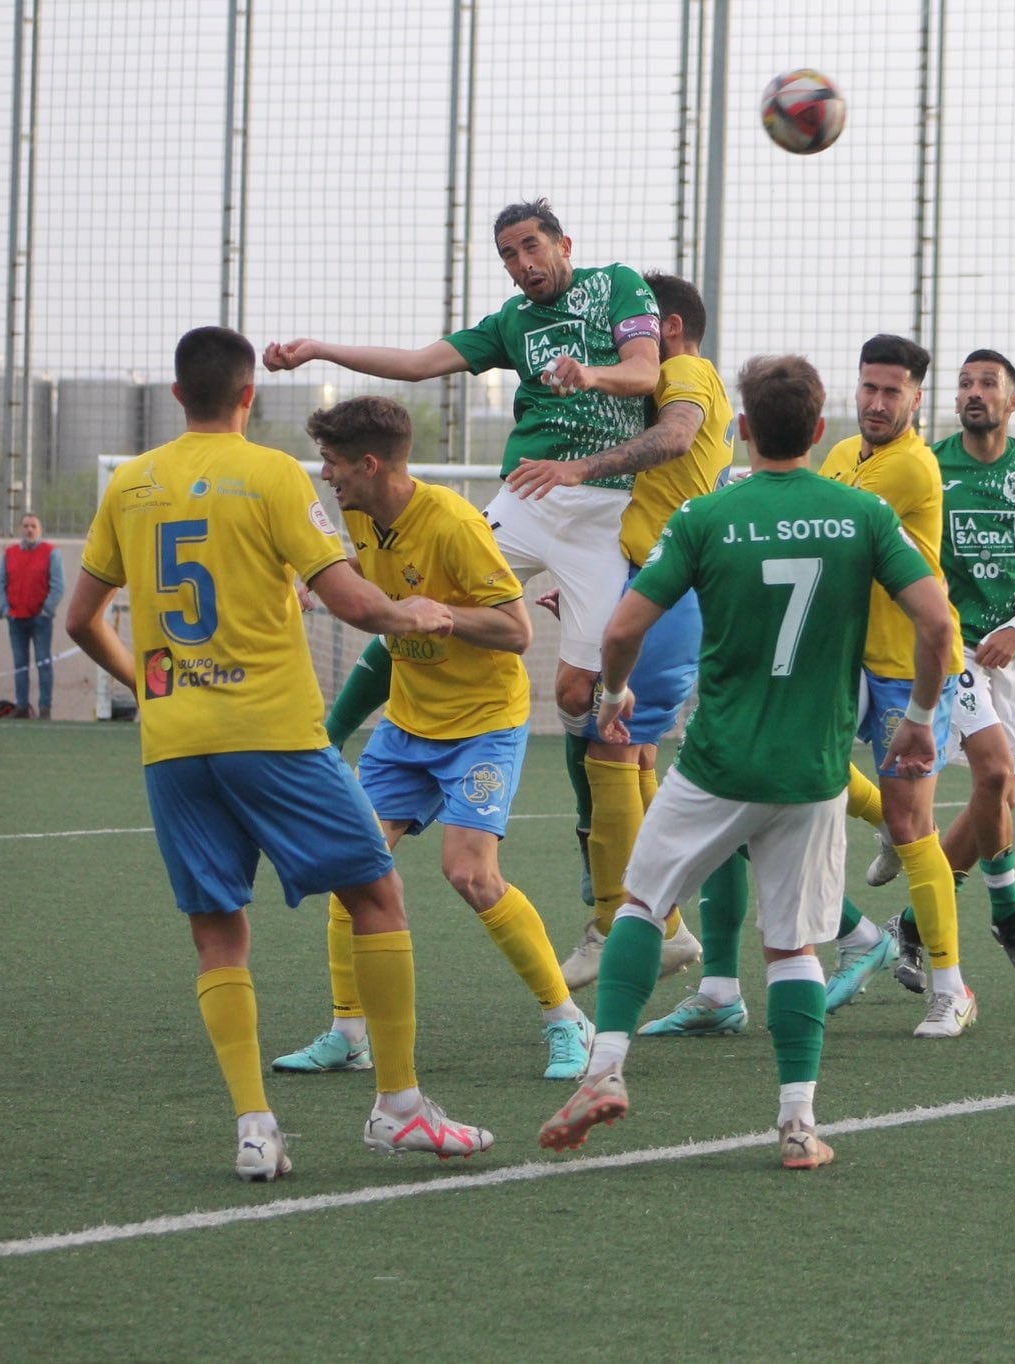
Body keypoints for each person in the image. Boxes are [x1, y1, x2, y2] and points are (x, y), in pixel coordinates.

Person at [64, 326, 492, 1180]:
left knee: (219, 933)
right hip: (271, 732)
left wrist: (150, 692)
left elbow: (80, 620)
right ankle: (400, 1109)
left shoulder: (132, 483)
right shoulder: (270, 476)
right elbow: (353, 601)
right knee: (377, 894)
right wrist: (415, 614)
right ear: (250, 395)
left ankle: (255, 1129)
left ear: (181, 396)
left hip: (174, 742)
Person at [264, 201, 702, 980]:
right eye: (507, 253)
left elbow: (643, 373)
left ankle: (630, 902)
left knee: (586, 698)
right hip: (528, 496)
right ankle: (331, 735)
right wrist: (321, 349)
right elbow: (418, 362)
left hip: (605, 510)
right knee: (412, 597)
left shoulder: (618, 287)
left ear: (564, 244)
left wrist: (589, 374)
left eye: (531, 245)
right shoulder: (511, 322)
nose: (522, 262)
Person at [537, 354, 954, 1167]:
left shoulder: (703, 516)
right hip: (813, 772)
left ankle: (606, 1071)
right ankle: (798, 1124)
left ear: (743, 429)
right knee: (795, 948)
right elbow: (936, 622)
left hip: (718, 764)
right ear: (821, 428)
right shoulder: (864, 515)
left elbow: (621, 631)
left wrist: (616, 700)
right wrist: (921, 720)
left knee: (640, 910)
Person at [266, 396, 593, 1084]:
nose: (326, 475)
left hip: (481, 725)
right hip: (408, 724)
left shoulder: (451, 523)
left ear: (370, 463)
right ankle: (347, 1033)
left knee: (470, 873)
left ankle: (568, 1022)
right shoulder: (351, 517)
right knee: (349, 865)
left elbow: (517, 631)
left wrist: (441, 618)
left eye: (332, 462)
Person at [504, 272, 733, 992]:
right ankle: (658, 923)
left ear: (665, 328)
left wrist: (581, 468)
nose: (618, 344)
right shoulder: (672, 376)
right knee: (627, 750)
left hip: (677, 584)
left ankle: (616, 924)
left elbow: (677, 436)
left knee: (614, 738)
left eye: (631, 331)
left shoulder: (688, 370)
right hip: (648, 578)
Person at [816, 335, 975, 1039]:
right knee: (793, 768)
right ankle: (878, 820)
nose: (877, 403)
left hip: (911, 666)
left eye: (892, 392)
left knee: (916, 825)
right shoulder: (844, 455)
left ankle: (951, 986)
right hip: (850, 654)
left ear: (917, 399)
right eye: (868, 388)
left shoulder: (911, 467)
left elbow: (823, 526)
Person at [0, 513, 64, 719]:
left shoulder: (51, 553)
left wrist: (46, 611)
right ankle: (22, 705)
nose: (29, 530)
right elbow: (1, 584)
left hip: (40, 619)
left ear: (40, 529)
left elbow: (58, 585)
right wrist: (6, 609)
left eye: (33, 526)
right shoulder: (10, 553)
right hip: (16, 618)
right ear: (20, 529)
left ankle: (45, 708)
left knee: (43, 662)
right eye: (25, 526)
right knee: (20, 664)